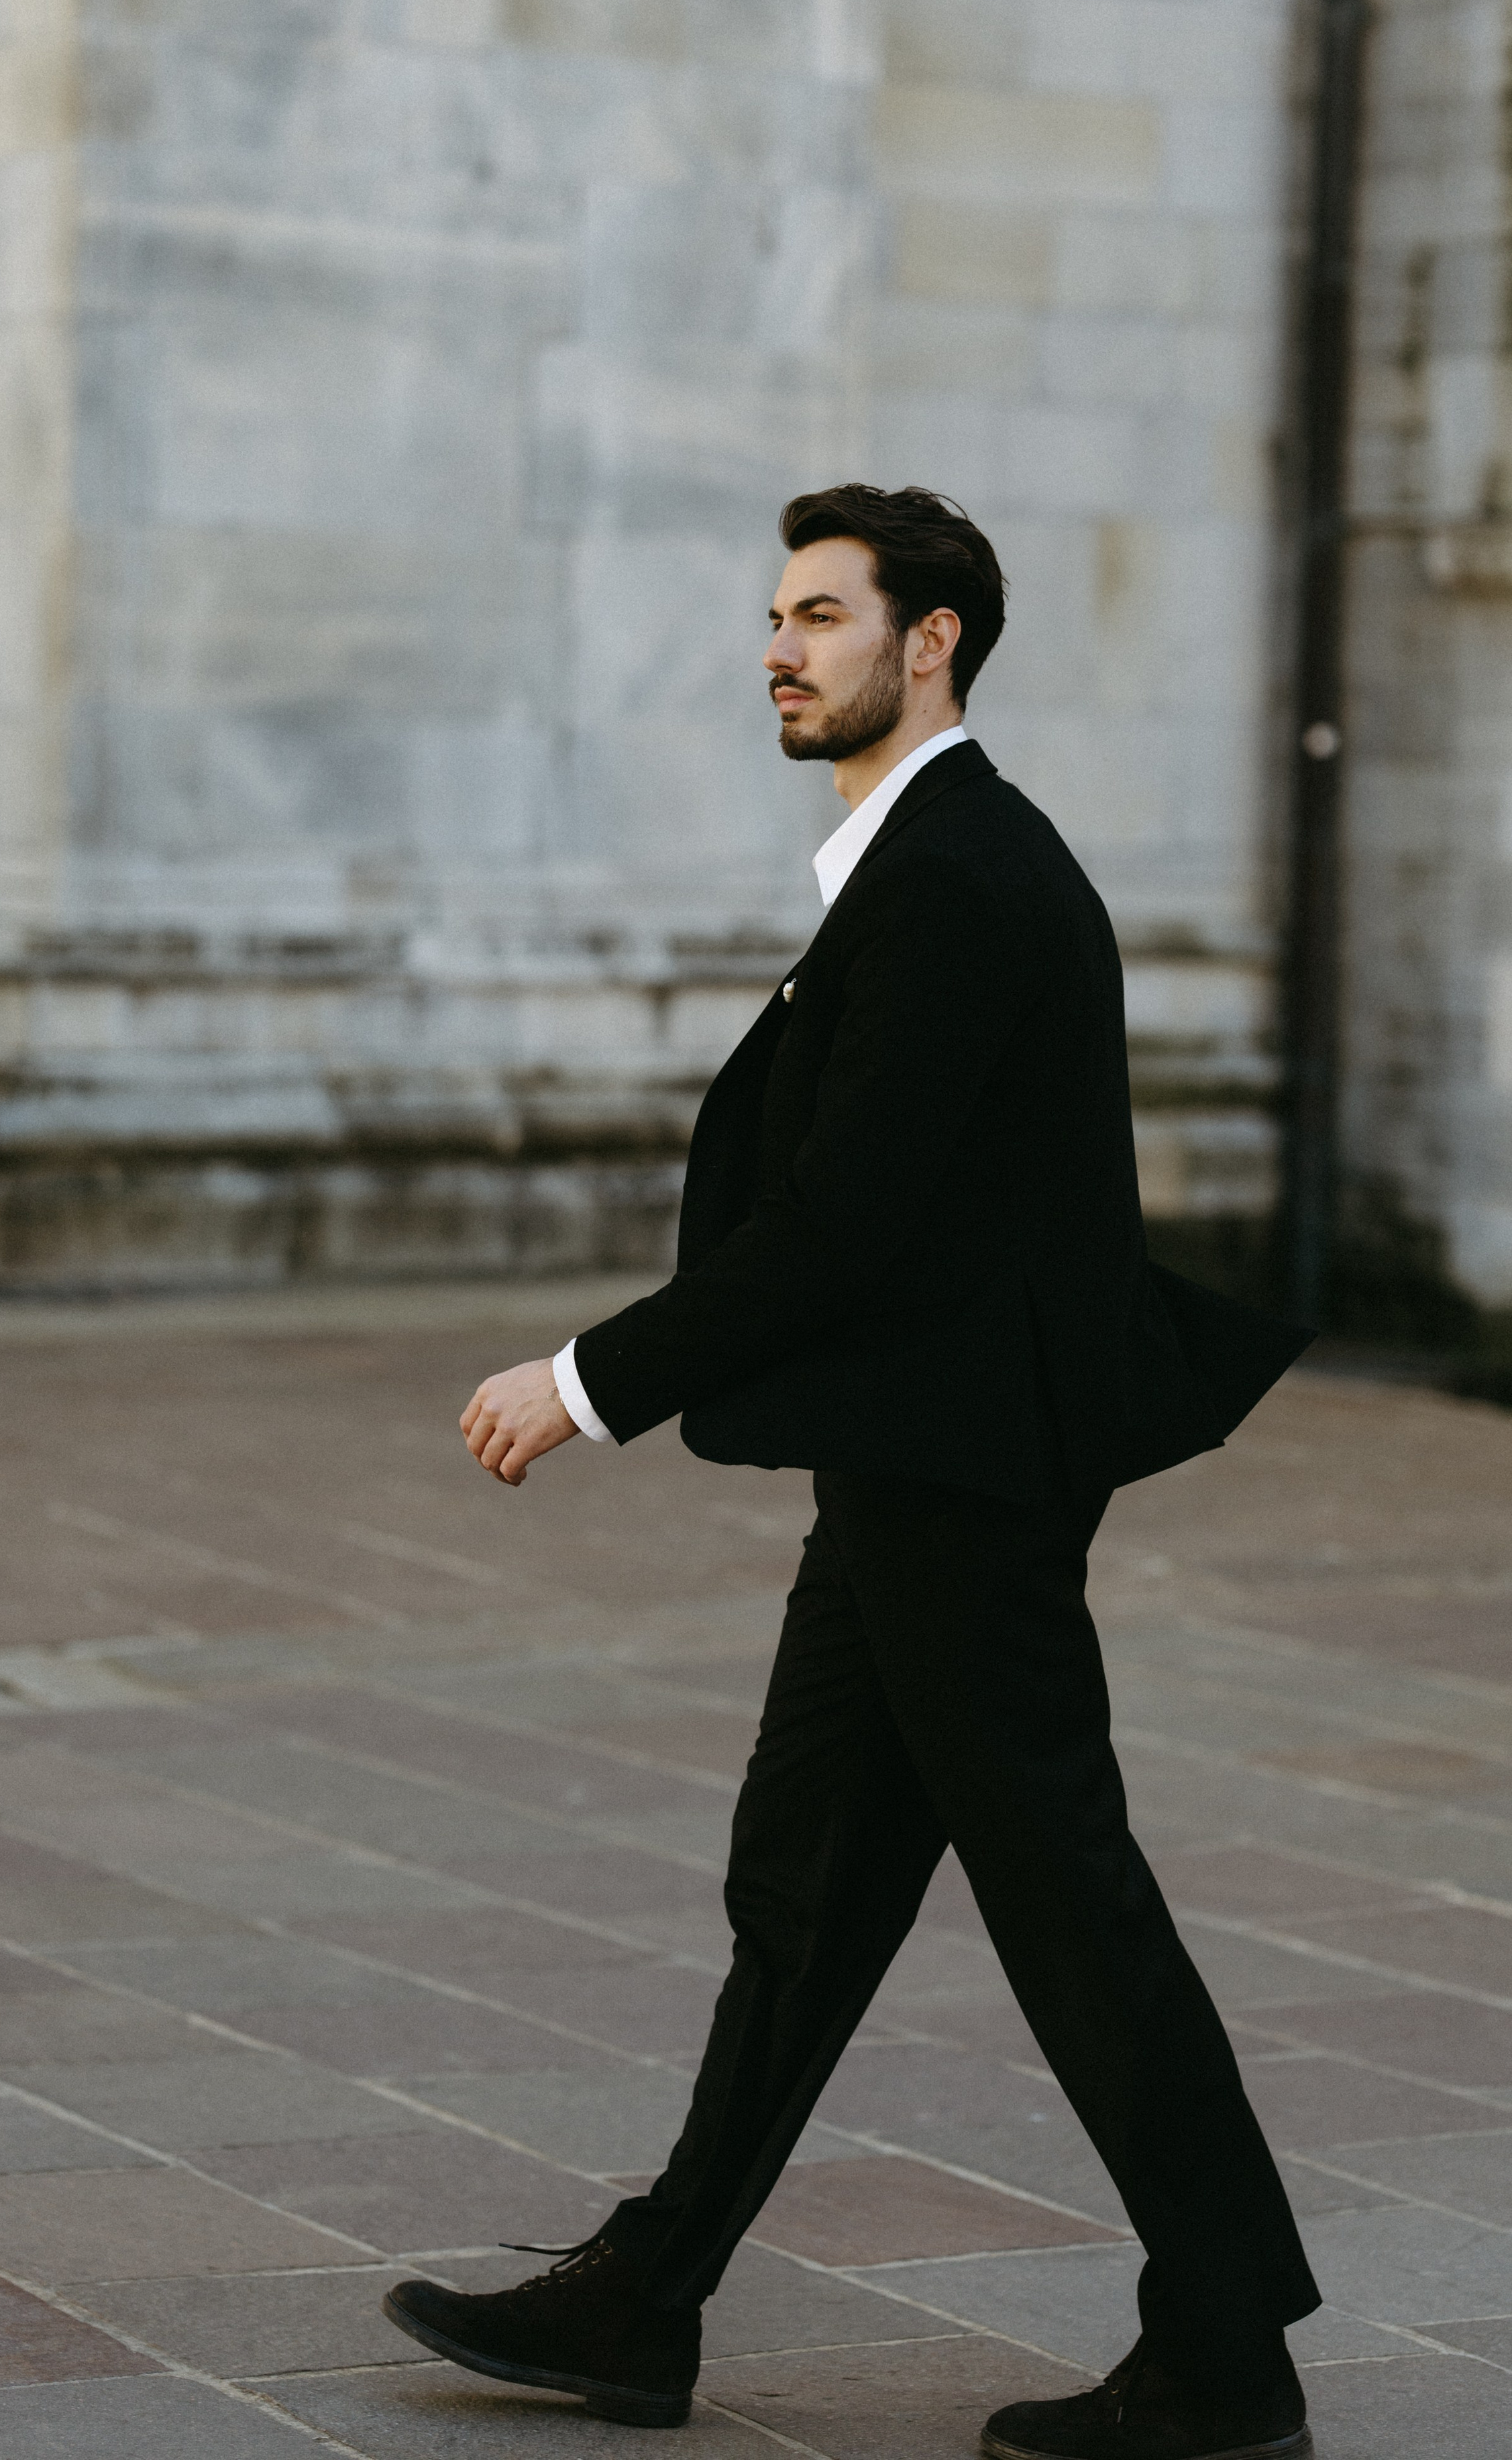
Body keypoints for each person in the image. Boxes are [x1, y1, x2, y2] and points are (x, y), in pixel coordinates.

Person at [382, 484, 1319, 2460]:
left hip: (958, 1475)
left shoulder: (964, 879)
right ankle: (650, 2296)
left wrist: (586, 1379)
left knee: (1066, 1893)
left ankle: (1226, 2350)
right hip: (915, 1455)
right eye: (776, 618)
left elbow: (849, 1226)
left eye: (820, 614)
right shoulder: (918, 867)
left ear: (935, 640)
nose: (780, 650)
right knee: (807, 1883)